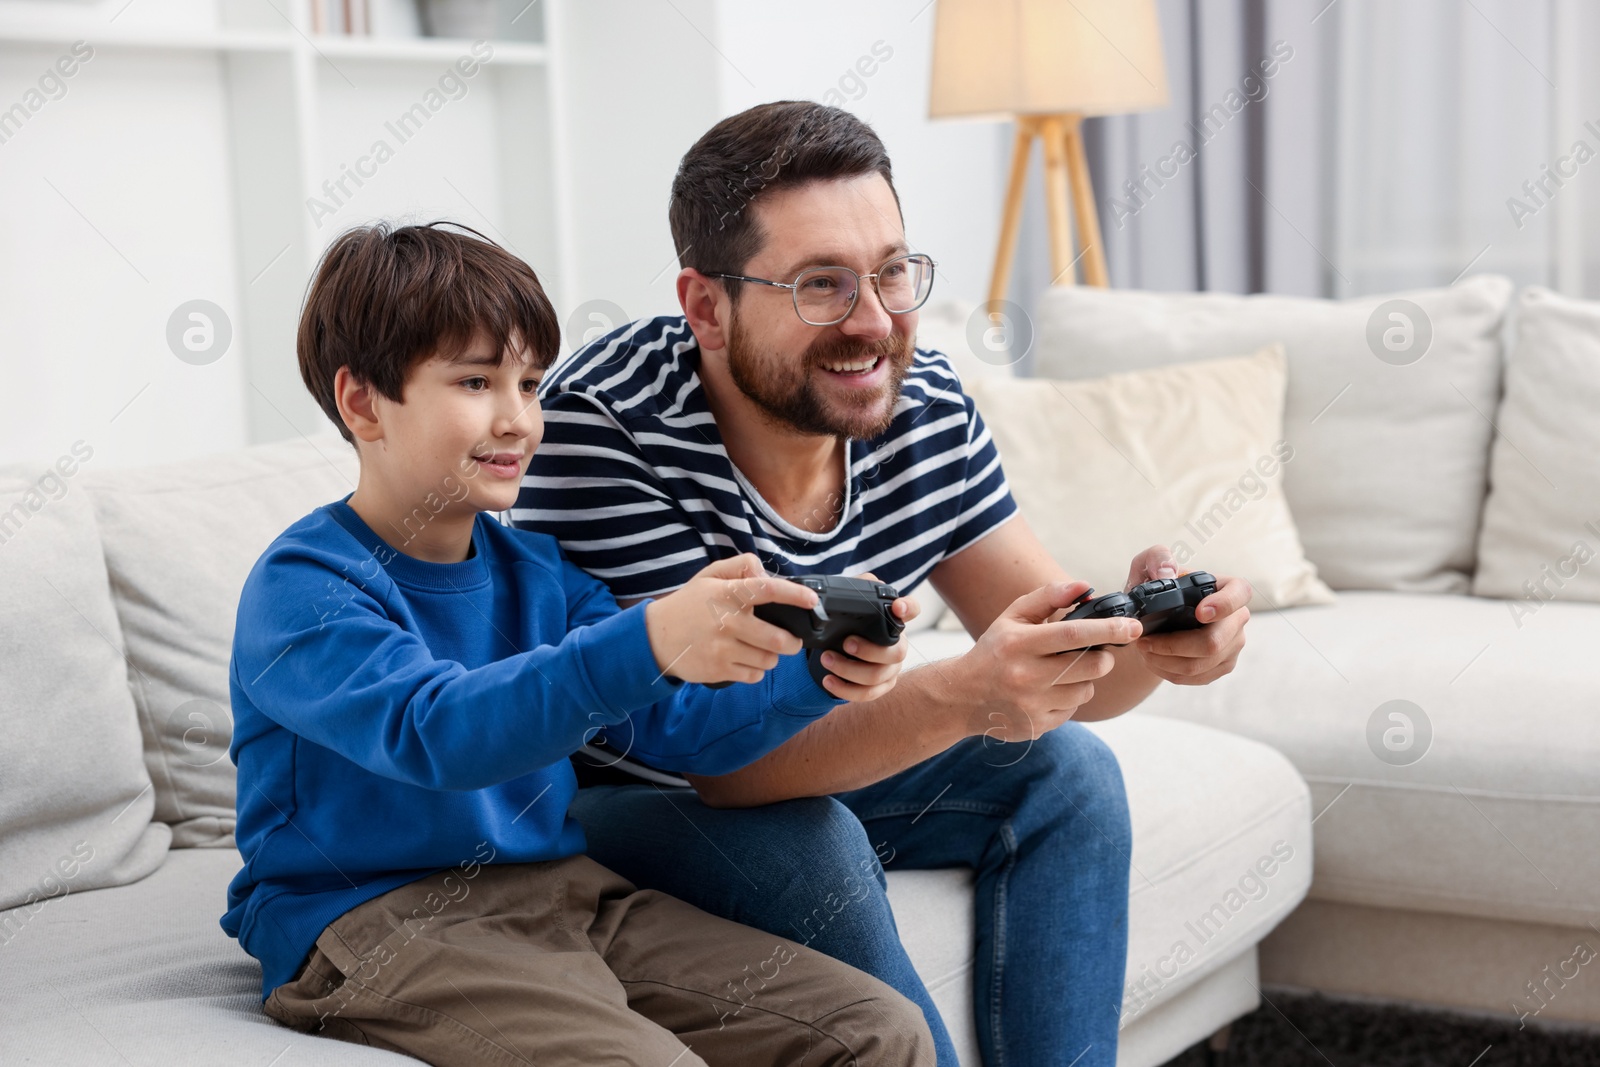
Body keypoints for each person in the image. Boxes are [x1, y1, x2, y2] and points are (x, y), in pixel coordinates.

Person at [513, 102, 1253, 1067]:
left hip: (787, 762)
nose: (875, 322)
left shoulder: (924, 405)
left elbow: (1075, 671)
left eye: (892, 272)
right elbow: (721, 765)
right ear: (706, 306)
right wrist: (960, 694)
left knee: (1068, 775)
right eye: (822, 285)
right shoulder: (599, 431)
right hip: (616, 799)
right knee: (810, 839)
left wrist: (1153, 644)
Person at [221, 221, 936, 1067]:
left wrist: (817, 674)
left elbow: (673, 731)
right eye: (477, 380)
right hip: (370, 919)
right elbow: (436, 731)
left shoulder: (537, 572)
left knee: (876, 1030)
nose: (518, 419)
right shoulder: (304, 586)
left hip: (561, 890)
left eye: (530, 383)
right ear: (362, 401)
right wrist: (648, 638)